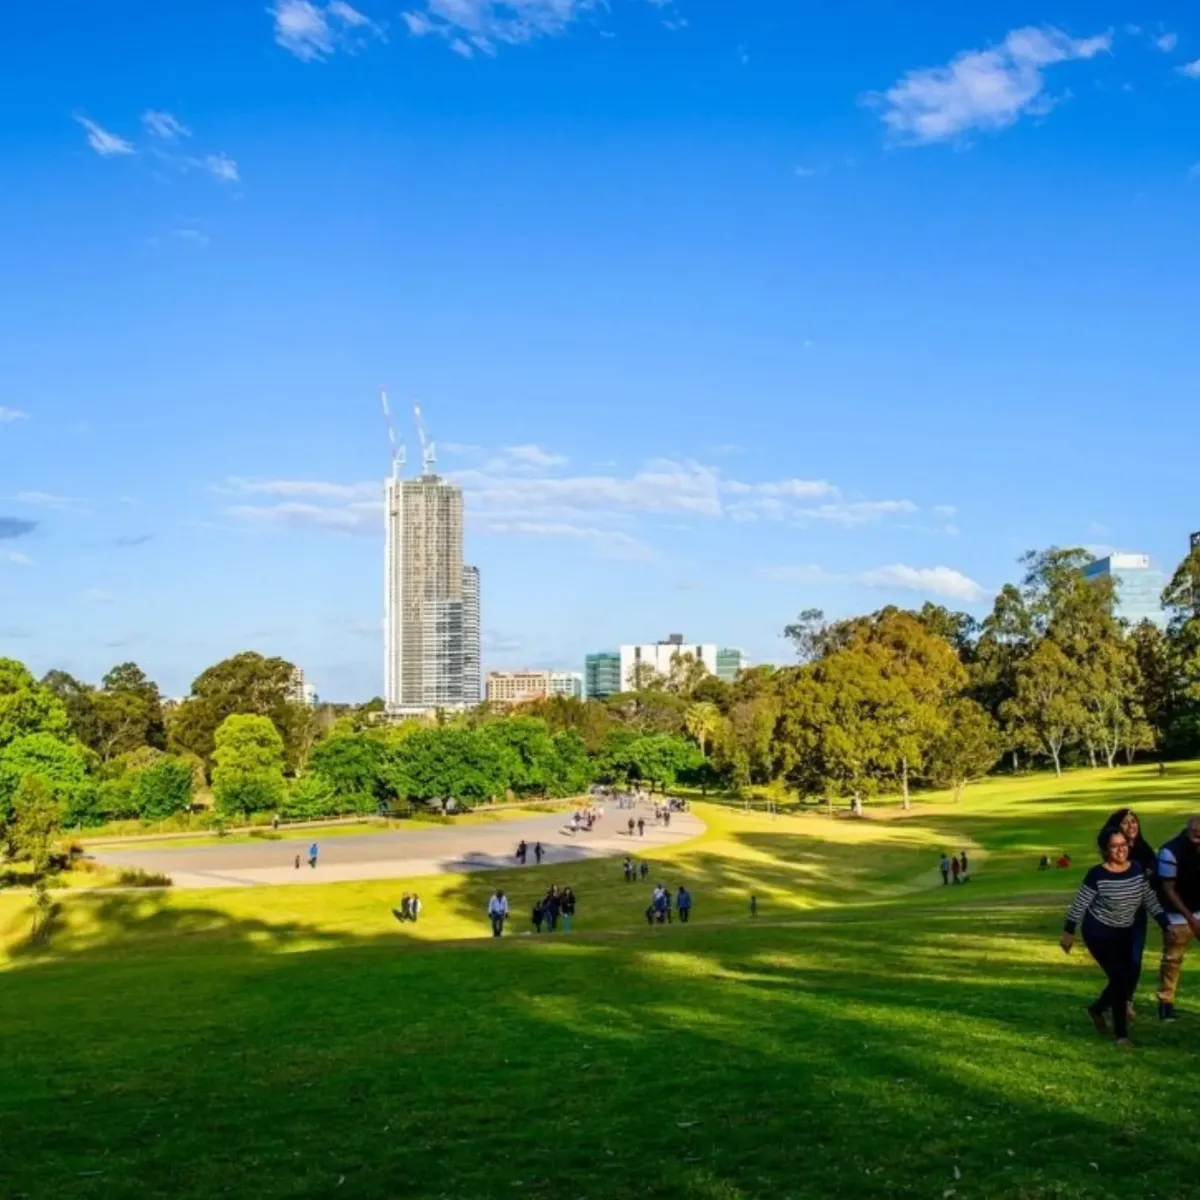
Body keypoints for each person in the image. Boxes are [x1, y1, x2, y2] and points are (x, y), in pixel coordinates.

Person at [1061, 825, 1169, 1045]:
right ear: (1104, 850)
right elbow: (1080, 904)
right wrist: (1069, 932)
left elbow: (1148, 899)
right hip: (1098, 931)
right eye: (1114, 846)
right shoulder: (1097, 875)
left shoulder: (1137, 869)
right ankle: (1121, 1035)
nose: (1121, 850)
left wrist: (1166, 924)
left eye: (1123, 845)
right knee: (1120, 979)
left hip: (1124, 930)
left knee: (1127, 976)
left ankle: (1097, 1009)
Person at [1105, 808, 1157, 1014]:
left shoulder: (1144, 849)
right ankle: (1118, 1003)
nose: (1131, 826)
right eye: (1125, 823)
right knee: (1123, 963)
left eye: (1134, 822)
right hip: (1116, 914)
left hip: (1138, 914)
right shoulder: (1115, 851)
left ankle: (1125, 1001)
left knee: (1134, 961)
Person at [1156, 816, 1200, 1022]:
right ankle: (1166, 1003)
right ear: (1187, 830)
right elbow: (1168, 888)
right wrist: (1190, 918)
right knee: (1173, 960)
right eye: (1195, 831)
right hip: (1176, 913)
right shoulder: (1170, 851)